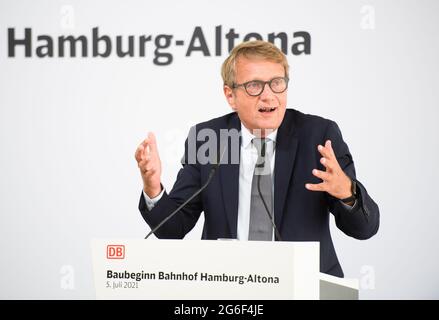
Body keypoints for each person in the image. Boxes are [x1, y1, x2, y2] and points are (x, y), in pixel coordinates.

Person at [135, 40, 379, 278]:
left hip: (306, 287)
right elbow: (171, 228)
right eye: (254, 85)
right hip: (229, 288)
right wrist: (152, 187)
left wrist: (347, 192)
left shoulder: (317, 136)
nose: (268, 96)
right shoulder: (209, 139)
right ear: (230, 95)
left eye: (277, 83)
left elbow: (364, 229)